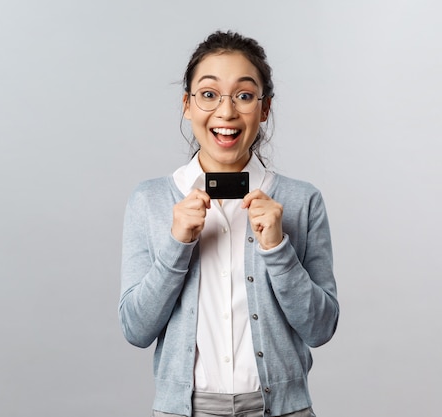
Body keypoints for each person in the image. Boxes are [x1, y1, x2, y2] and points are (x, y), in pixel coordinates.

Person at [119, 30, 339, 417]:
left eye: (244, 95)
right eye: (208, 94)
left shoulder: (302, 201)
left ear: (264, 107)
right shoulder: (150, 200)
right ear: (187, 105)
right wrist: (177, 246)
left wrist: (277, 249)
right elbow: (136, 330)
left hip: (282, 411)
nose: (226, 112)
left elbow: (320, 329)